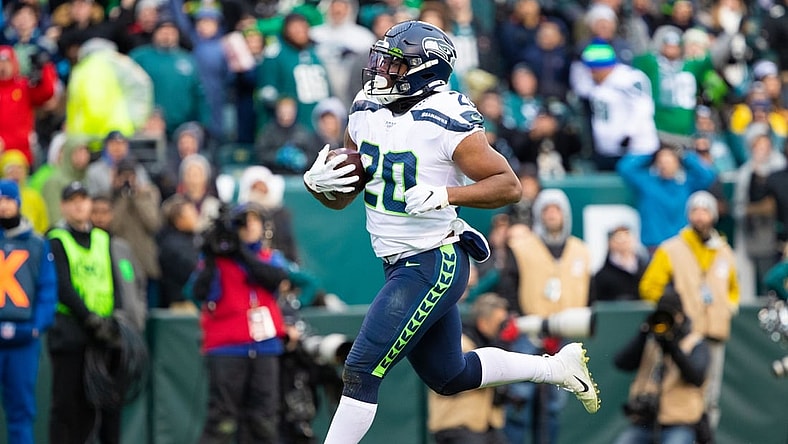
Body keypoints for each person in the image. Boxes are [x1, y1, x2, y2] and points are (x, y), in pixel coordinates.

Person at [301, 21, 600, 444]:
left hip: (432, 260)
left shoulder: (444, 117)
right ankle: (556, 368)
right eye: (383, 61)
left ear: (425, 70)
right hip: (397, 261)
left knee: (361, 369)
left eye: (395, 64)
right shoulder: (366, 107)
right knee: (449, 375)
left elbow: (509, 185)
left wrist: (446, 194)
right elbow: (344, 196)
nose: (382, 71)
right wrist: (319, 186)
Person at [639, 190, 740, 440]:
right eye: (695, 211)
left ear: (714, 216)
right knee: (677, 395)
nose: (700, 217)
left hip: (714, 333)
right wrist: (673, 308)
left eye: (705, 211)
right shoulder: (672, 248)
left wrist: (727, 307)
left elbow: (733, 289)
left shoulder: (724, 251)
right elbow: (649, 287)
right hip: (684, 337)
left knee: (710, 398)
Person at [192, 202, 289, 444]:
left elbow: (275, 279)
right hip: (226, 347)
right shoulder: (217, 259)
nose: (249, 227)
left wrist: (241, 252)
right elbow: (198, 291)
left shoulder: (270, 258)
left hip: (265, 346)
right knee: (222, 420)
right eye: (243, 222)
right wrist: (213, 255)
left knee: (263, 419)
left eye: (254, 221)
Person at [503, 188, 593, 444]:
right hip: (529, 330)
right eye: (547, 209)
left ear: (565, 214)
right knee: (520, 397)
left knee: (554, 402)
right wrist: (520, 318)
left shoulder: (581, 250)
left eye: (557, 209)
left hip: (566, 332)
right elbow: (509, 285)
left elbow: (590, 290)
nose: (552, 215)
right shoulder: (521, 247)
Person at [47, 181, 127, 444]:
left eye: (84, 199)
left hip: (103, 334)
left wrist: (115, 317)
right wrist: (88, 317)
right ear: (63, 206)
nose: (80, 205)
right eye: (73, 200)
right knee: (68, 407)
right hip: (71, 331)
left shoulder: (104, 238)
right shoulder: (56, 238)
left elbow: (114, 281)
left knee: (108, 406)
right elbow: (62, 285)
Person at [613, 287, 710, 444]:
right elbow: (621, 363)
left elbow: (696, 377)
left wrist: (673, 347)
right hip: (645, 422)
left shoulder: (695, 343)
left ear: (679, 316)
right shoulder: (651, 342)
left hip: (679, 422)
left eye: (669, 316)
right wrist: (642, 334)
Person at [0, 179, 57, 444]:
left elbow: (47, 289)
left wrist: (36, 326)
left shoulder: (36, 244)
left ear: (18, 203)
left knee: (22, 412)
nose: (3, 206)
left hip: (24, 339)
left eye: (8, 199)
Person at [427, 293, 510, 444]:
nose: (502, 328)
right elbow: (460, 377)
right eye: (499, 323)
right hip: (456, 425)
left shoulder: (490, 343)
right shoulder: (459, 343)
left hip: (485, 426)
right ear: (483, 322)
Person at [617, 145, 717, 253]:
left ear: (677, 163)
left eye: (669, 161)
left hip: (681, 245)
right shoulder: (647, 183)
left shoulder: (685, 185)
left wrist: (685, 156)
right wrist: (650, 154)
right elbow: (625, 168)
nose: (664, 165)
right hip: (654, 246)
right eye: (661, 162)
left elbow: (708, 176)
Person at [590, 225, 648, 303]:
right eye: (619, 239)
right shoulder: (602, 276)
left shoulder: (645, 270)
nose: (623, 242)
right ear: (610, 243)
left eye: (627, 237)